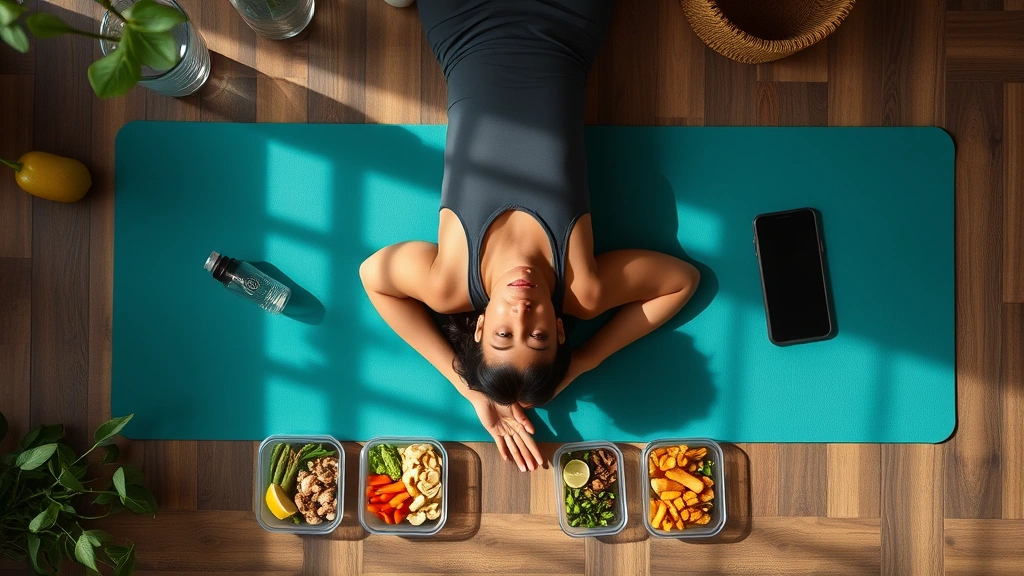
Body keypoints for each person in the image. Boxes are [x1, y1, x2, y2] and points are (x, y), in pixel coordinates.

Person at [359, 0, 700, 472]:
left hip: (467, 25)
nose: (522, 313)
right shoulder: (583, 288)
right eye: (538, 335)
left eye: (502, 334)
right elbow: (681, 280)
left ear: (478, 328)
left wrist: (465, 385)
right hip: (566, 23)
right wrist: (584, 362)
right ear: (561, 330)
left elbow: (372, 276)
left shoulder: (449, 284)